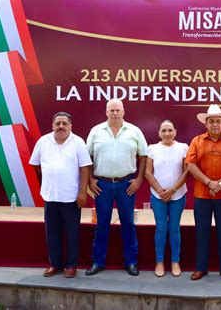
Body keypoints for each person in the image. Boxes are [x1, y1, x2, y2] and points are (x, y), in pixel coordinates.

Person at [85, 99, 148, 276]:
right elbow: (86, 156)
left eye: (117, 110)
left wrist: (139, 180)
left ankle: (131, 262)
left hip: (126, 184)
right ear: (106, 112)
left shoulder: (134, 131)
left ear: (123, 111)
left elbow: (144, 156)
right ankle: (98, 262)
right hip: (102, 185)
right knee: (101, 224)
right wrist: (90, 179)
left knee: (128, 223)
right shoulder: (96, 131)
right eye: (111, 110)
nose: (115, 113)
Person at [29, 112, 92, 278]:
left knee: (72, 233)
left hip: (71, 196)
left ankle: (71, 265)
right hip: (50, 195)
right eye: (58, 124)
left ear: (71, 126)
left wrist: (83, 191)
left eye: (65, 123)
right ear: (52, 125)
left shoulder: (78, 142)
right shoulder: (43, 141)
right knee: (52, 233)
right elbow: (35, 163)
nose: (61, 126)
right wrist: (52, 174)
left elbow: (85, 167)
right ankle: (55, 264)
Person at [185, 104, 221, 281]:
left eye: (218, 121)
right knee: (201, 232)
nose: (215, 124)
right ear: (206, 124)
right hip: (202, 195)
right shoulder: (196, 141)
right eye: (211, 121)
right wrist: (209, 182)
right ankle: (201, 268)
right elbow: (191, 165)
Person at [144, 120, 188, 277]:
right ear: (159, 133)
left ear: (175, 131)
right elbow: (148, 172)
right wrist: (160, 191)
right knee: (161, 228)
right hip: (158, 196)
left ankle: (175, 261)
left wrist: (172, 190)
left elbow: (186, 171)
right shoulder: (152, 149)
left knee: (174, 228)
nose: (167, 133)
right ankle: (159, 261)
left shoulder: (183, 148)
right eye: (164, 130)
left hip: (178, 194)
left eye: (170, 130)